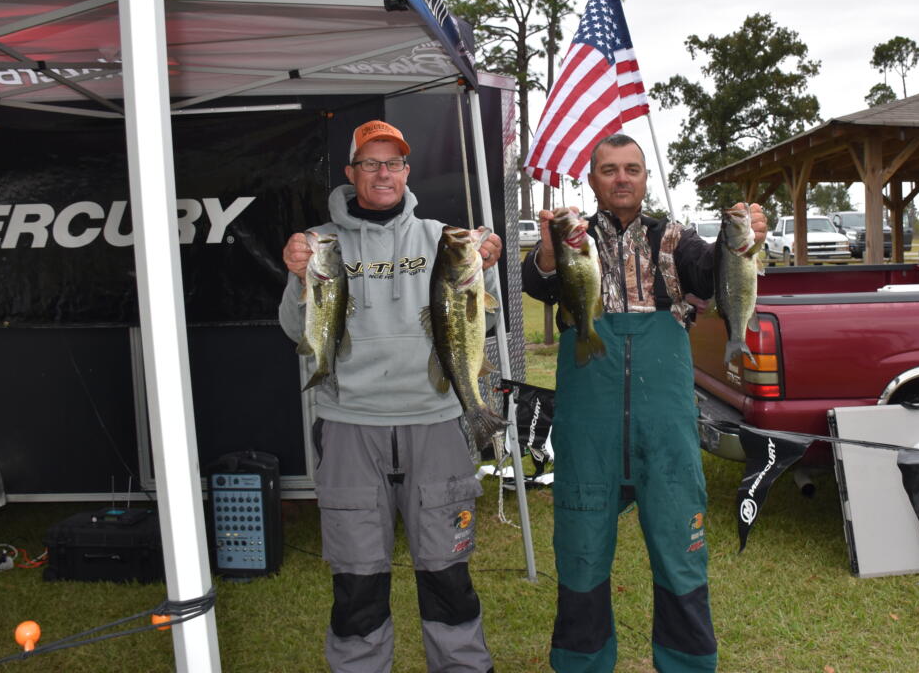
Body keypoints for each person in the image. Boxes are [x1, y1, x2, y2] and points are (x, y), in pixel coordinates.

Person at [521, 133, 767, 673]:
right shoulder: (574, 236)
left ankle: (687, 663)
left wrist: (743, 242)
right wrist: (548, 251)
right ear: (592, 179)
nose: (622, 178)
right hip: (589, 424)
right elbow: (536, 282)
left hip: (665, 424)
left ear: (646, 178)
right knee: (582, 552)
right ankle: (581, 663)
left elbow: (711, 271)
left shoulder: (675, 238)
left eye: (632, 168)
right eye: (609, 169)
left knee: (681, 552)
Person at [279, 119, 502, 673]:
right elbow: (295, 330)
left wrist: (487, 268)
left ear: (407, 171)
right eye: (371, 163)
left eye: (394, 163)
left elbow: (484, 322)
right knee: (357, 580)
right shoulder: (319, 243)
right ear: (351, 172)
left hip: (436, 421)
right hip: (350, 423)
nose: (383, 173)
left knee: (448, 573)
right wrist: (297, 277)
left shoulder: (443, 237)